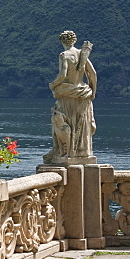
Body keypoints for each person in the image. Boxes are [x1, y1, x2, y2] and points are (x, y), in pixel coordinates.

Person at [43, 30, 97, 164]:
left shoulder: (64, 55)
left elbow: (62, 76)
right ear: (74, 40)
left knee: (63, 122)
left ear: (62, 42)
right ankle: (82, 152)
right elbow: (93, 75)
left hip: (67, 95)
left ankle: (65, 152)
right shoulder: (81, 54)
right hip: (83, 94)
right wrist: (93, 92)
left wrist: (52, 85)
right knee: (81, 124)